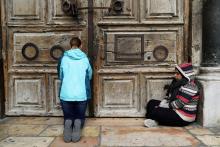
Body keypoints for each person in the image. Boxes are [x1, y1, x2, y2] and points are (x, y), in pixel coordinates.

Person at [57, 37, 92, 142]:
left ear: (70, 46)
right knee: (80, 116)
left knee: (68, 116)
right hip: (81, 94)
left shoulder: (63, 58)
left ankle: (68, 122)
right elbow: (89, 75)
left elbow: (61, 75)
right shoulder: (85, 59)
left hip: (66, 94)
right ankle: (78, 122)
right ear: (81, 46)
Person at [144, 63, 200, 127]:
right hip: (174, 109)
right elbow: (168, 96)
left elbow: (179, 104)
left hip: (183, 117)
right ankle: (155, 120)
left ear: (185, 75)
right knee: (151, 103)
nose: (175, 75)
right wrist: (164, 102)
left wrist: (164, 106)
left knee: (156, 111)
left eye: (177, 74)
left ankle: (155, 119)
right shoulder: (176, 83)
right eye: (175, 73)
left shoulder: (190, 87)